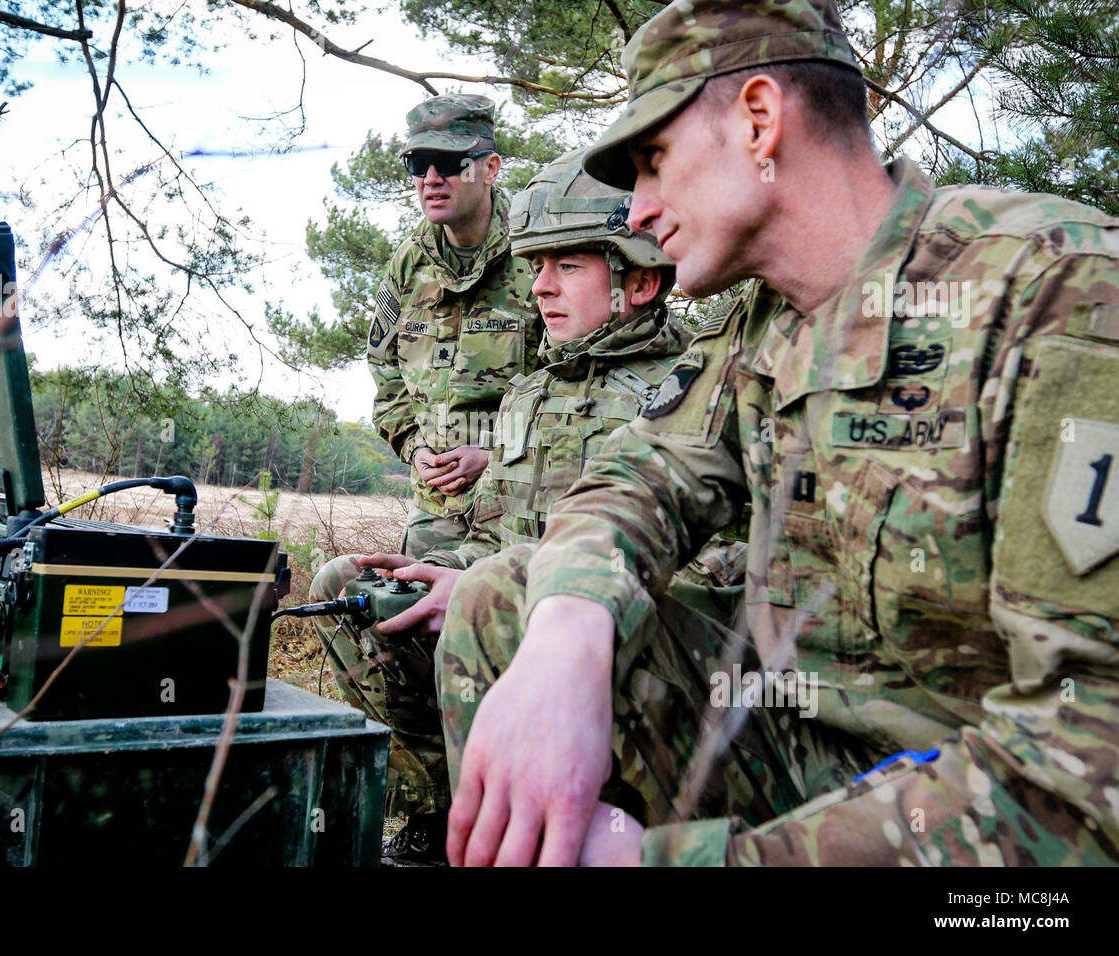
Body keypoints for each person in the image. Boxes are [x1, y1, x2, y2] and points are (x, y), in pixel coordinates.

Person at [438, 0, 1119, 867]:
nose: (639, 211)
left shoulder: (1058, 292)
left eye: (654, 162)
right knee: (506, 600)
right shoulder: (763, 323)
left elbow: (1090, 765)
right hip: (795, 736)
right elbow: (637, 482)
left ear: (760, 120)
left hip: (989, 814)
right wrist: (569, 632)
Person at [311, 151, 745, 864]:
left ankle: (562, 825)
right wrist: (434, 569)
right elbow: (492, 530)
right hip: (505, 618)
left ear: (639, 281)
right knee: (348, 589)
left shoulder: (687, 391)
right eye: (536, 267)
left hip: (614, 651)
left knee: (485, 598)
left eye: (567, 267)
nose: (540, 287)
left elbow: (709, 575)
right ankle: (459, 801)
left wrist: (508, 586)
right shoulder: (531, 394)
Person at [368, 93, 542, 559]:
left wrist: (496, 453)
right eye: (418, 163)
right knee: (408, 617)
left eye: (448, 162)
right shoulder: (408, 264)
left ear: (490, 169)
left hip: (521, 497)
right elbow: (383, 367)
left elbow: (574, 378)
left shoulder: (539, 250)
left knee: (502, 622)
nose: (430, 179)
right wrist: (414, 447)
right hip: (436, 500)